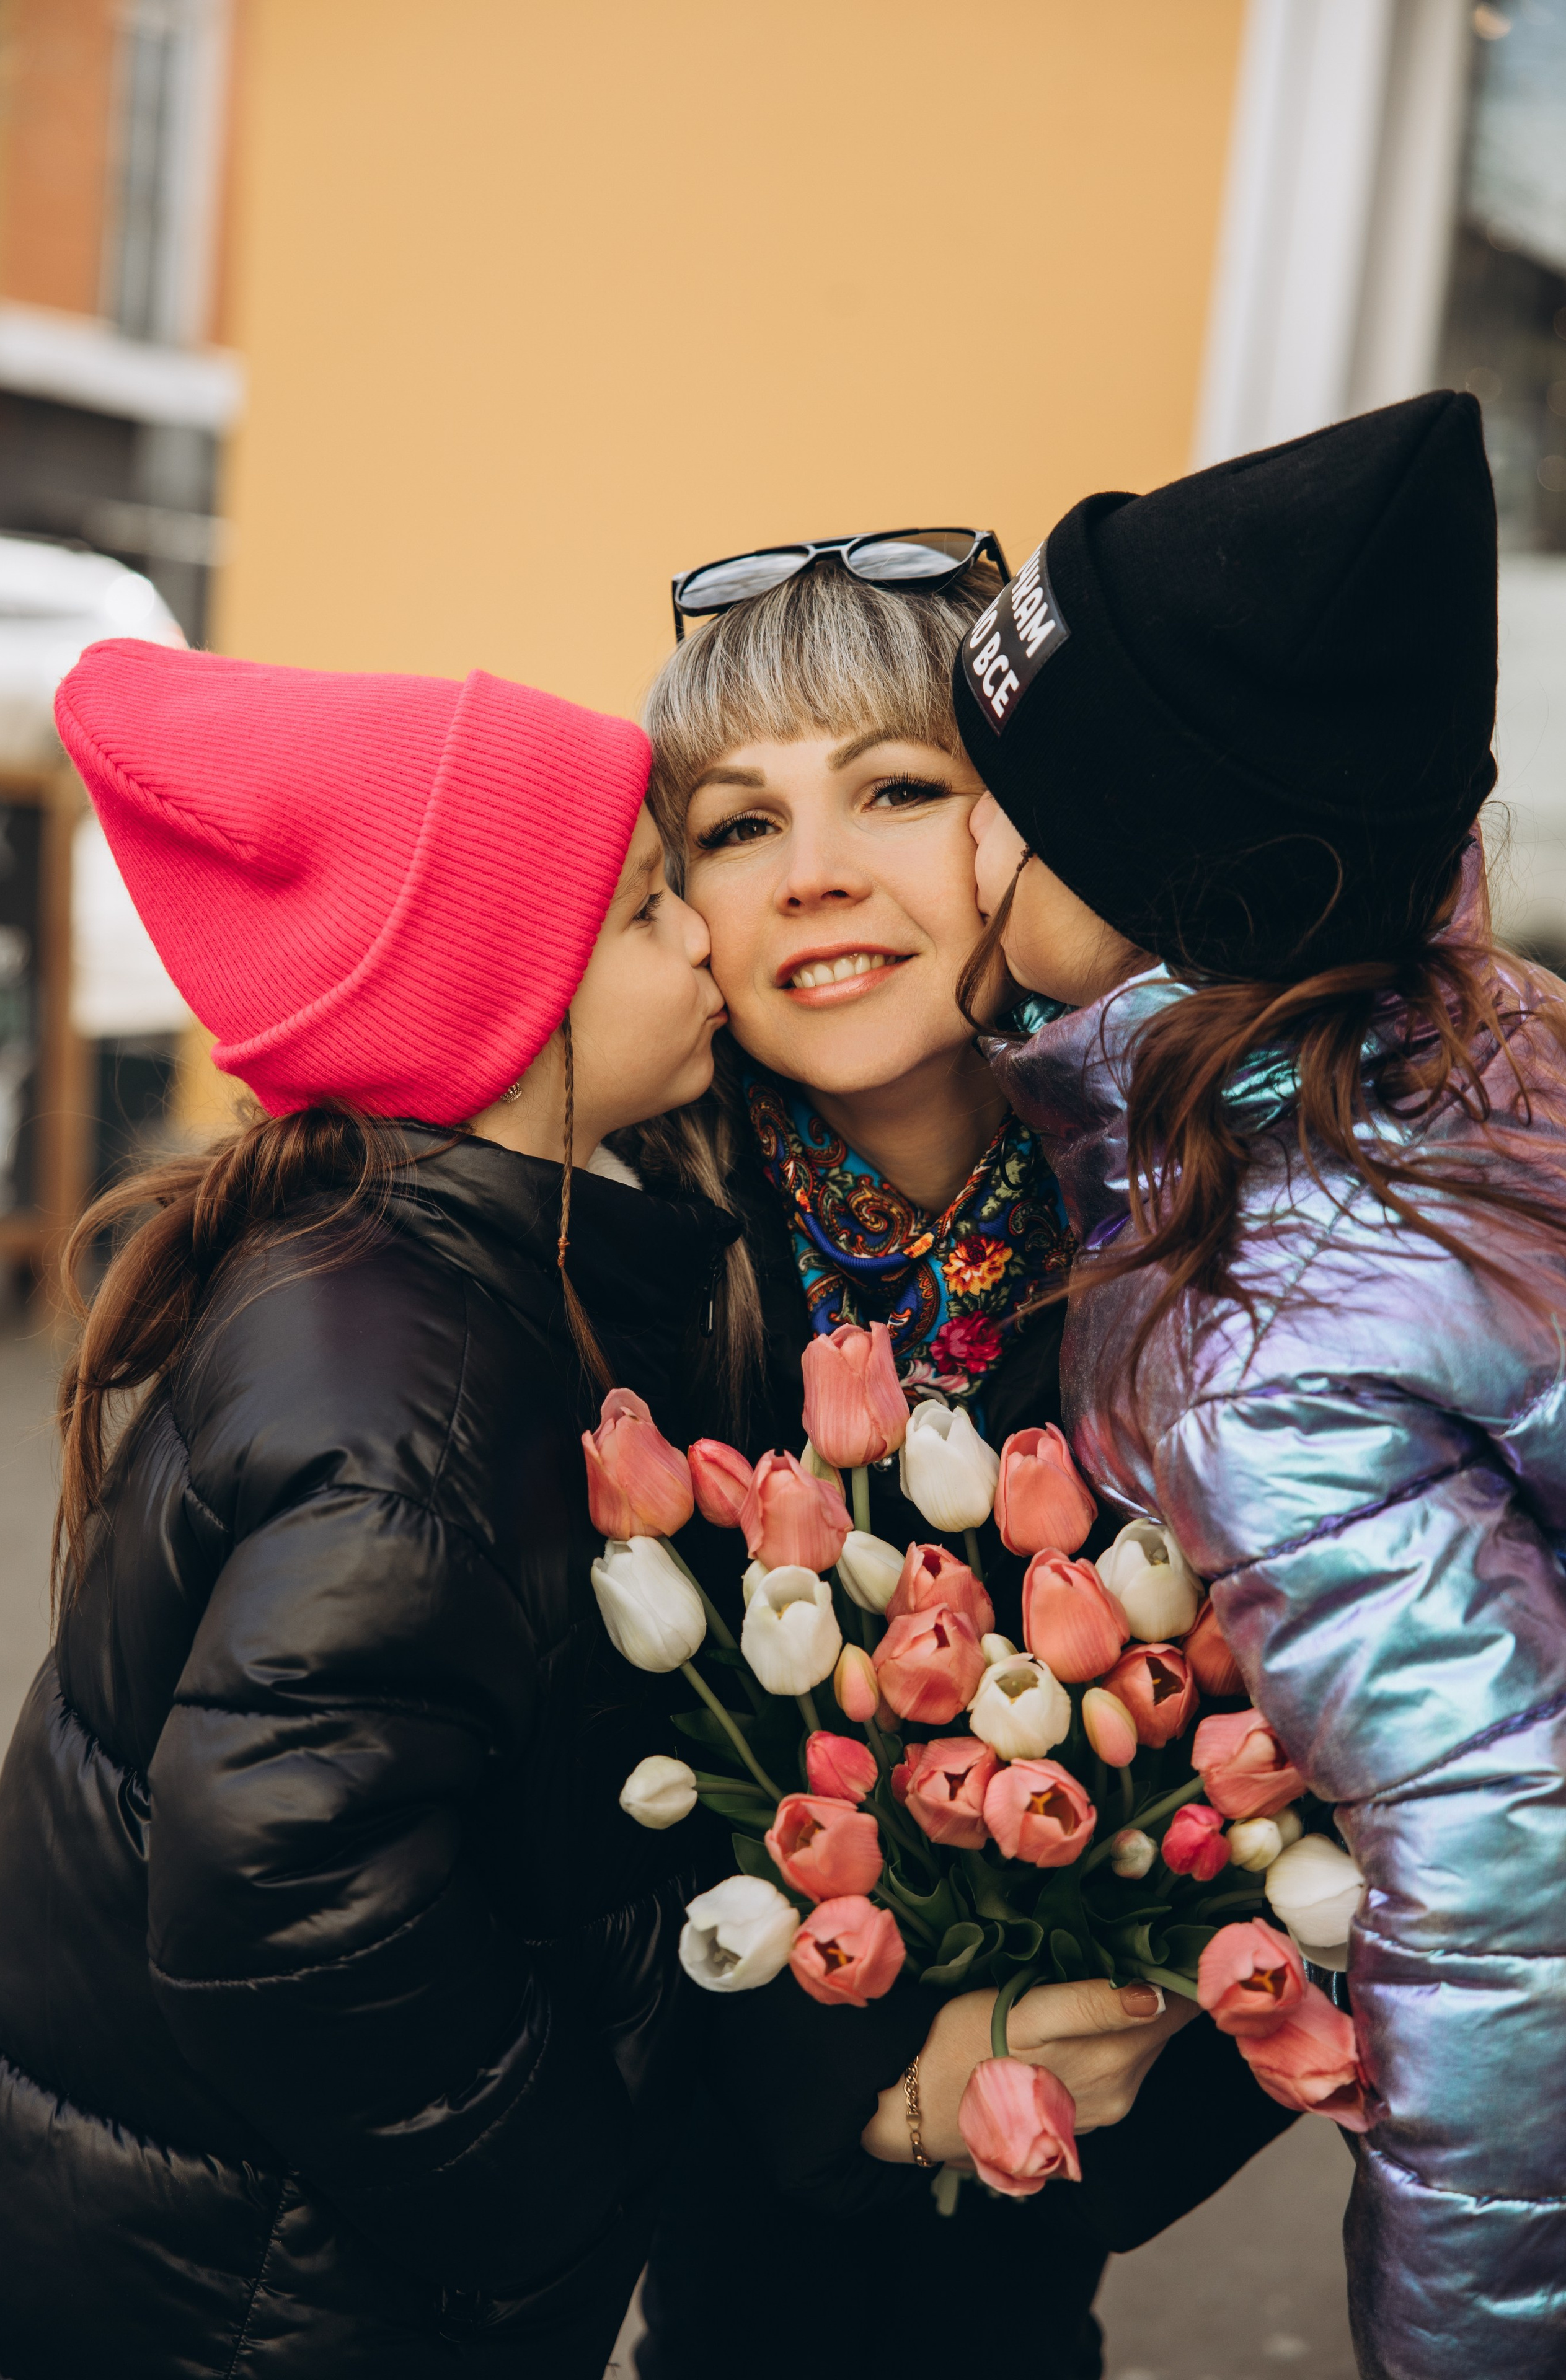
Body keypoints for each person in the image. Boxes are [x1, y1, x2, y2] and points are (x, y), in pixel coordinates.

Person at [0, 639, 732, 2378]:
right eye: (643, 910)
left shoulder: (438, 1272)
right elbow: (282, 1879)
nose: (703, 935)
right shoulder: (416, 1394)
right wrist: (550, 2196)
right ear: (498, 1013)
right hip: (267, 2302)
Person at [622, 546, 1297, 2379]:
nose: (815, 874)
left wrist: (1130, 2051)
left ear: (1032, 832)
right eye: (737, 825)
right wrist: (857, 2085)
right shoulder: (619, 1258)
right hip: (726, 2215)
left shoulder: (1217, 1242)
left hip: (1042, 2233)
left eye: (899, 791)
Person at [962, 392, 1566, 2378]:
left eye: (1013, 807)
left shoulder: (1264, 1337)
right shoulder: (1473, 1041)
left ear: (1169, 881)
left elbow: (1509, 1887)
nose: (966, 847)